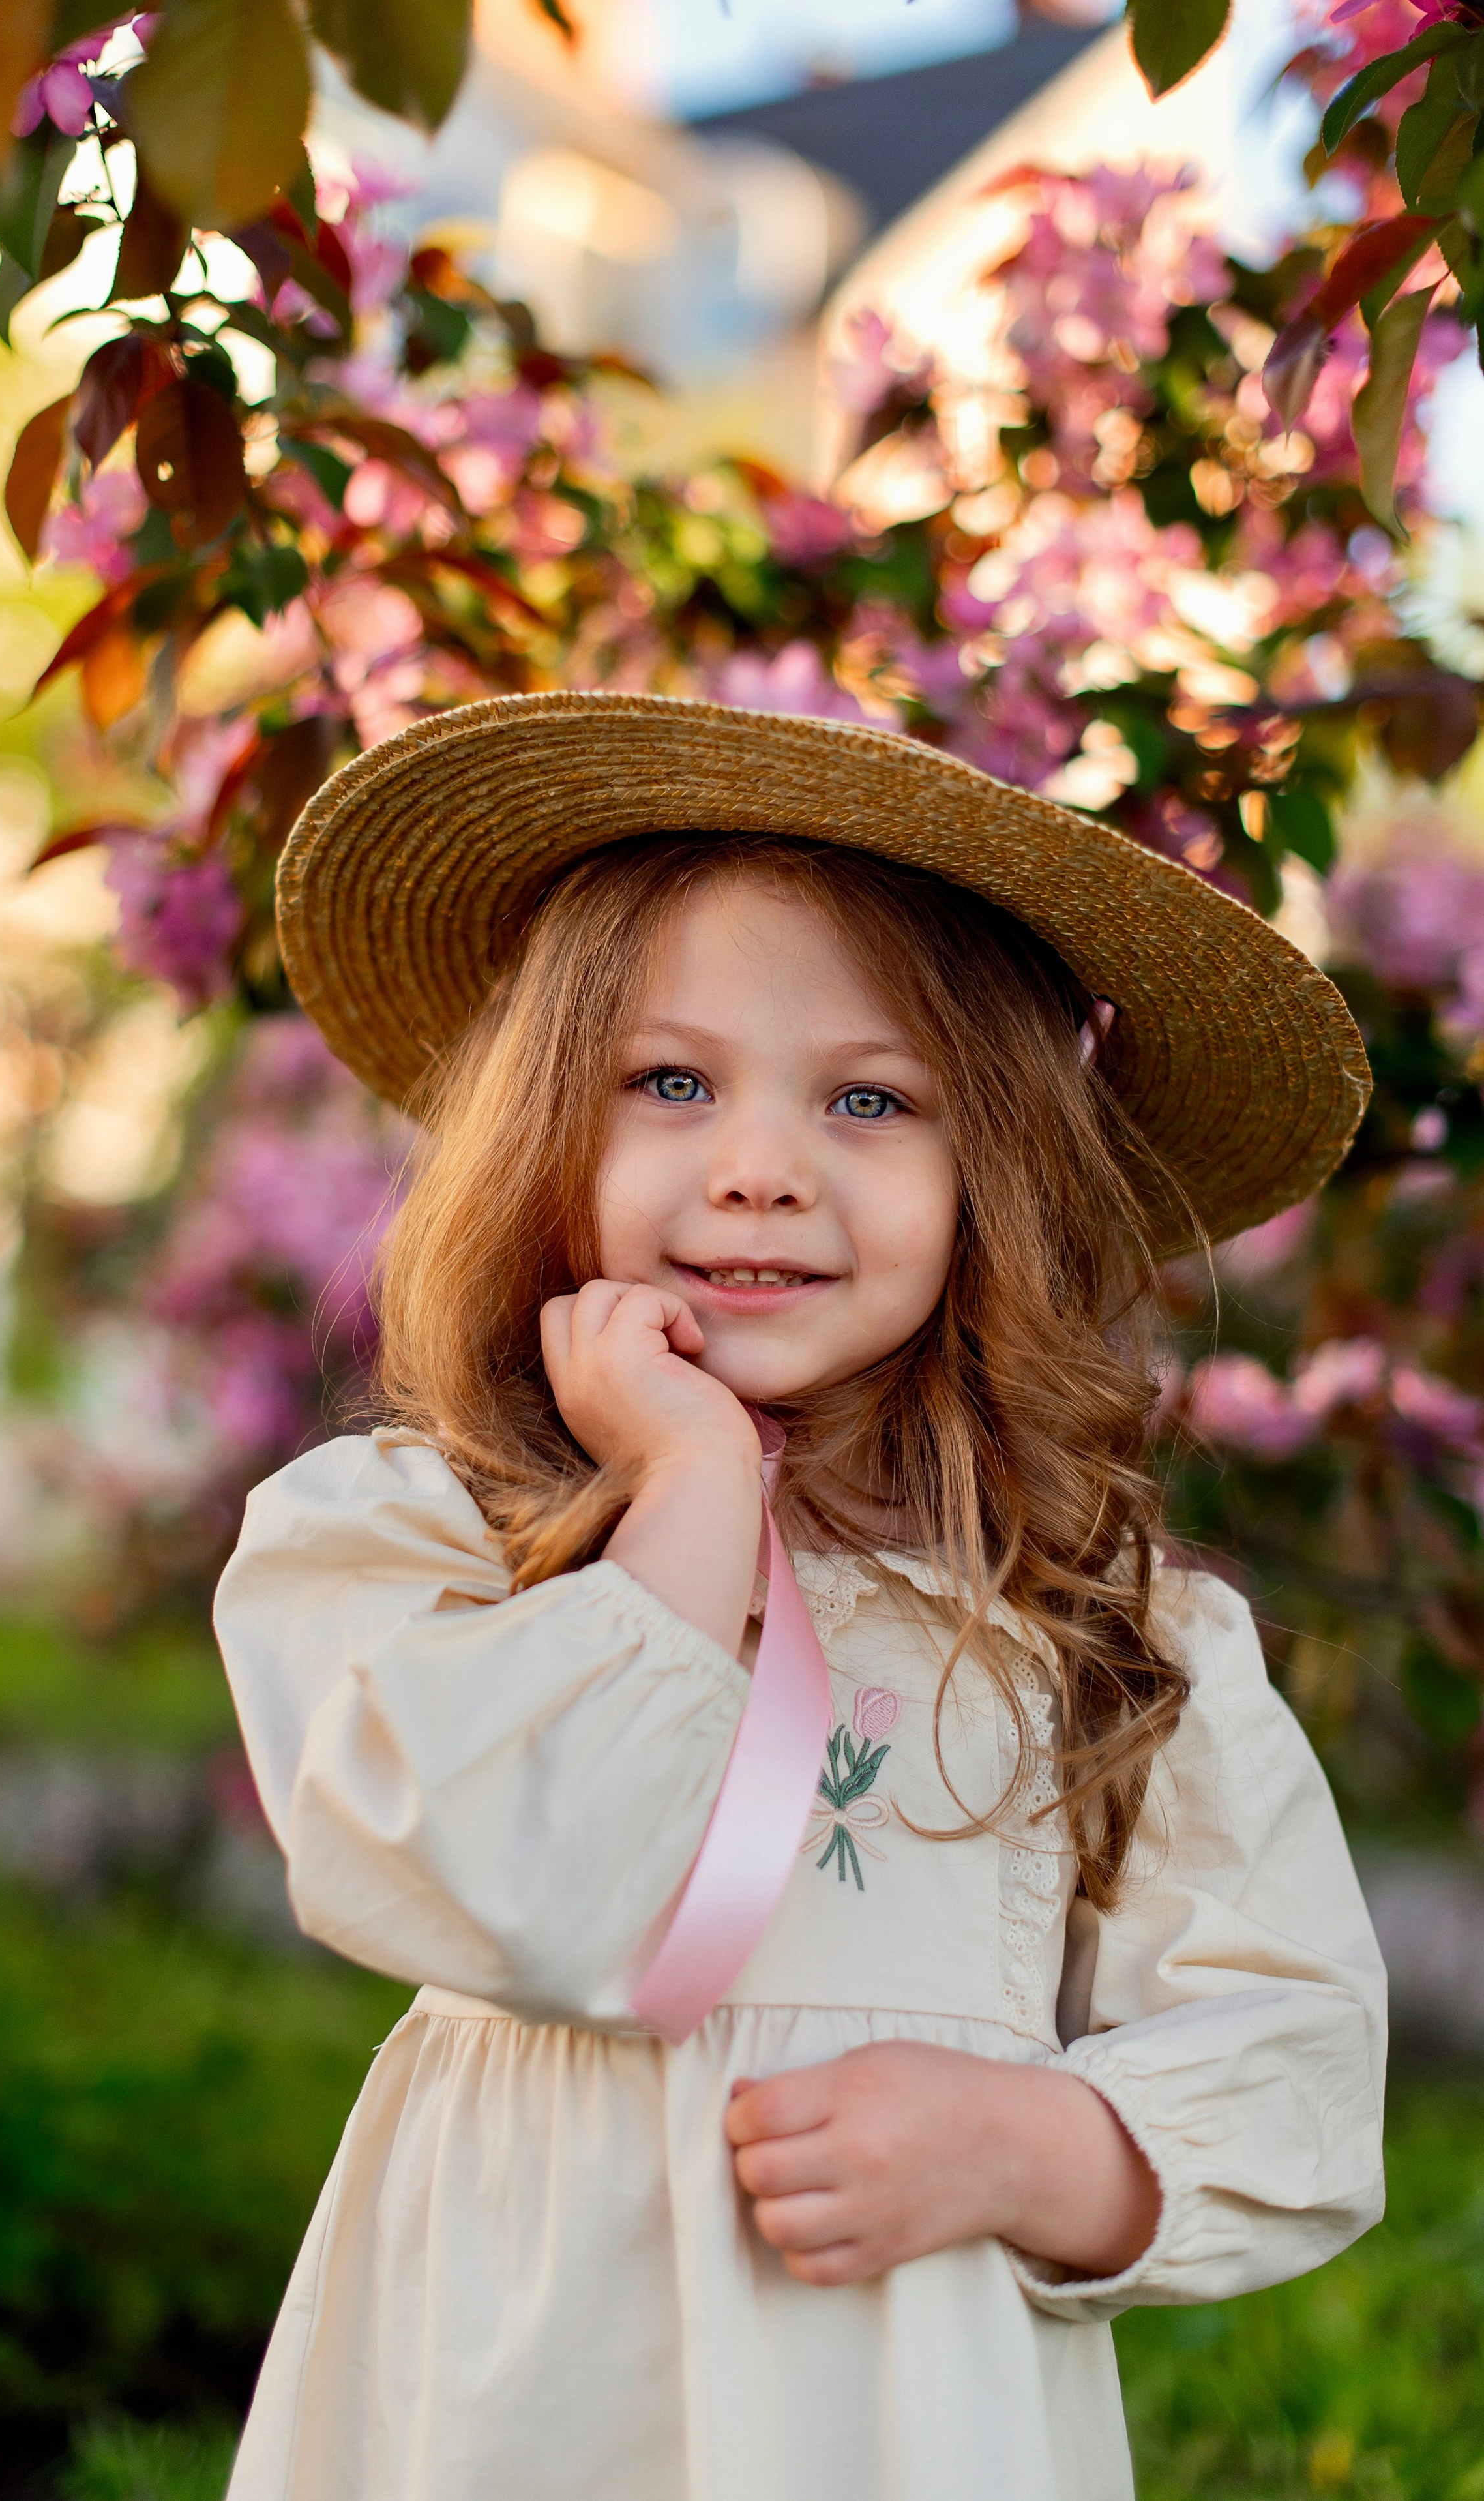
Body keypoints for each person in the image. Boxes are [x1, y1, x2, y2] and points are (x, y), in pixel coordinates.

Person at [214, 691, 1386, 2501]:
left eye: (871, 1096)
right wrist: (684, 1493)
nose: (761, 1162)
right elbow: (508, 1884)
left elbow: (1301, 2060)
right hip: (519, 2396)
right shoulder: (414, 1537)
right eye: (672, 1080)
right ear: (551, 1129)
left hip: (898, 2414)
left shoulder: (1096, 1618)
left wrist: (1037, 2145)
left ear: (989, 1170)